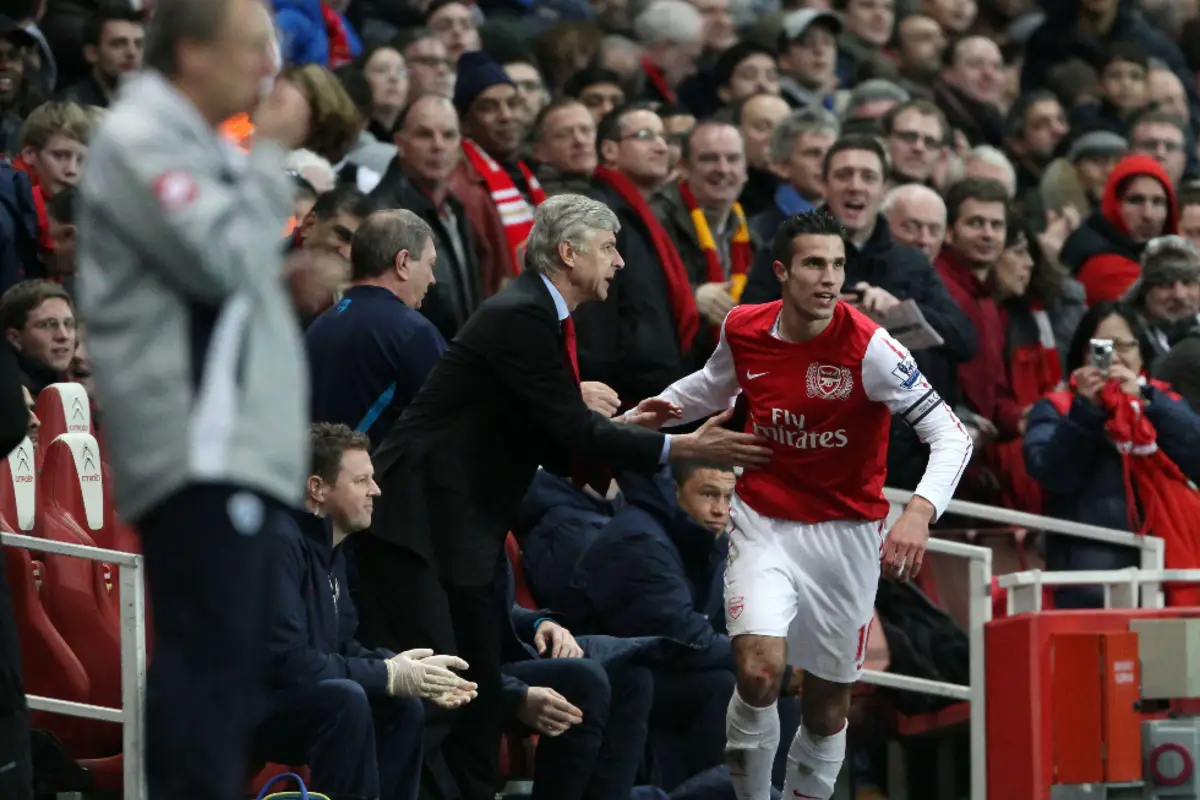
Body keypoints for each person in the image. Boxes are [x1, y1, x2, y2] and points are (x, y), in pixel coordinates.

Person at [353, 193, 773, 800]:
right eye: (608, 248)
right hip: (420, 527)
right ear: (568, 252)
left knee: (469, 694)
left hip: (455, 527)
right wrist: (681, 448)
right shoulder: (521, 314)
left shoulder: (536, 315)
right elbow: (568, 429)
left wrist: (635, 429)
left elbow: (550, 432)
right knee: (447, 693)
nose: (620, 263)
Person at [73, 0, 324, 797]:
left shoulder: (190, 143)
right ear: (189, 52)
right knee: (209, 662)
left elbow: (212, 274)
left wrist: (276, 281)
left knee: (226, 664)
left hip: (226, 443)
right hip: (198, 444)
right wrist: (272, 150)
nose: (266, 71)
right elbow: (215, 256)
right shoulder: (144, 138)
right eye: (252, 50)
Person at [634, 210, 973, 799]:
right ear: (782, 271)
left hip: (847, 535)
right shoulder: (743, 327)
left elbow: (951, 434)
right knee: (760, 673)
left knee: (825, 709)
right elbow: (712, 386)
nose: (829, 278)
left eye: (838, 265)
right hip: (763, 520)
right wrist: (647, 415)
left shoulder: (873, 348)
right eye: (815, 264)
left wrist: (918, 513)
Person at [256, 423, 475, 800]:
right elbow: (290, 663)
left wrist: (410, 673)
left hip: (297, 698)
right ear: (318, 488)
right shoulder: (277, 542)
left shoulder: (332, 550)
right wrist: (387, 674)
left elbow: (341, 647)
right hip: (247, 704)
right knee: (348, 700)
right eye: (362, 481)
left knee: (401, 707)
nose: (377, 490)